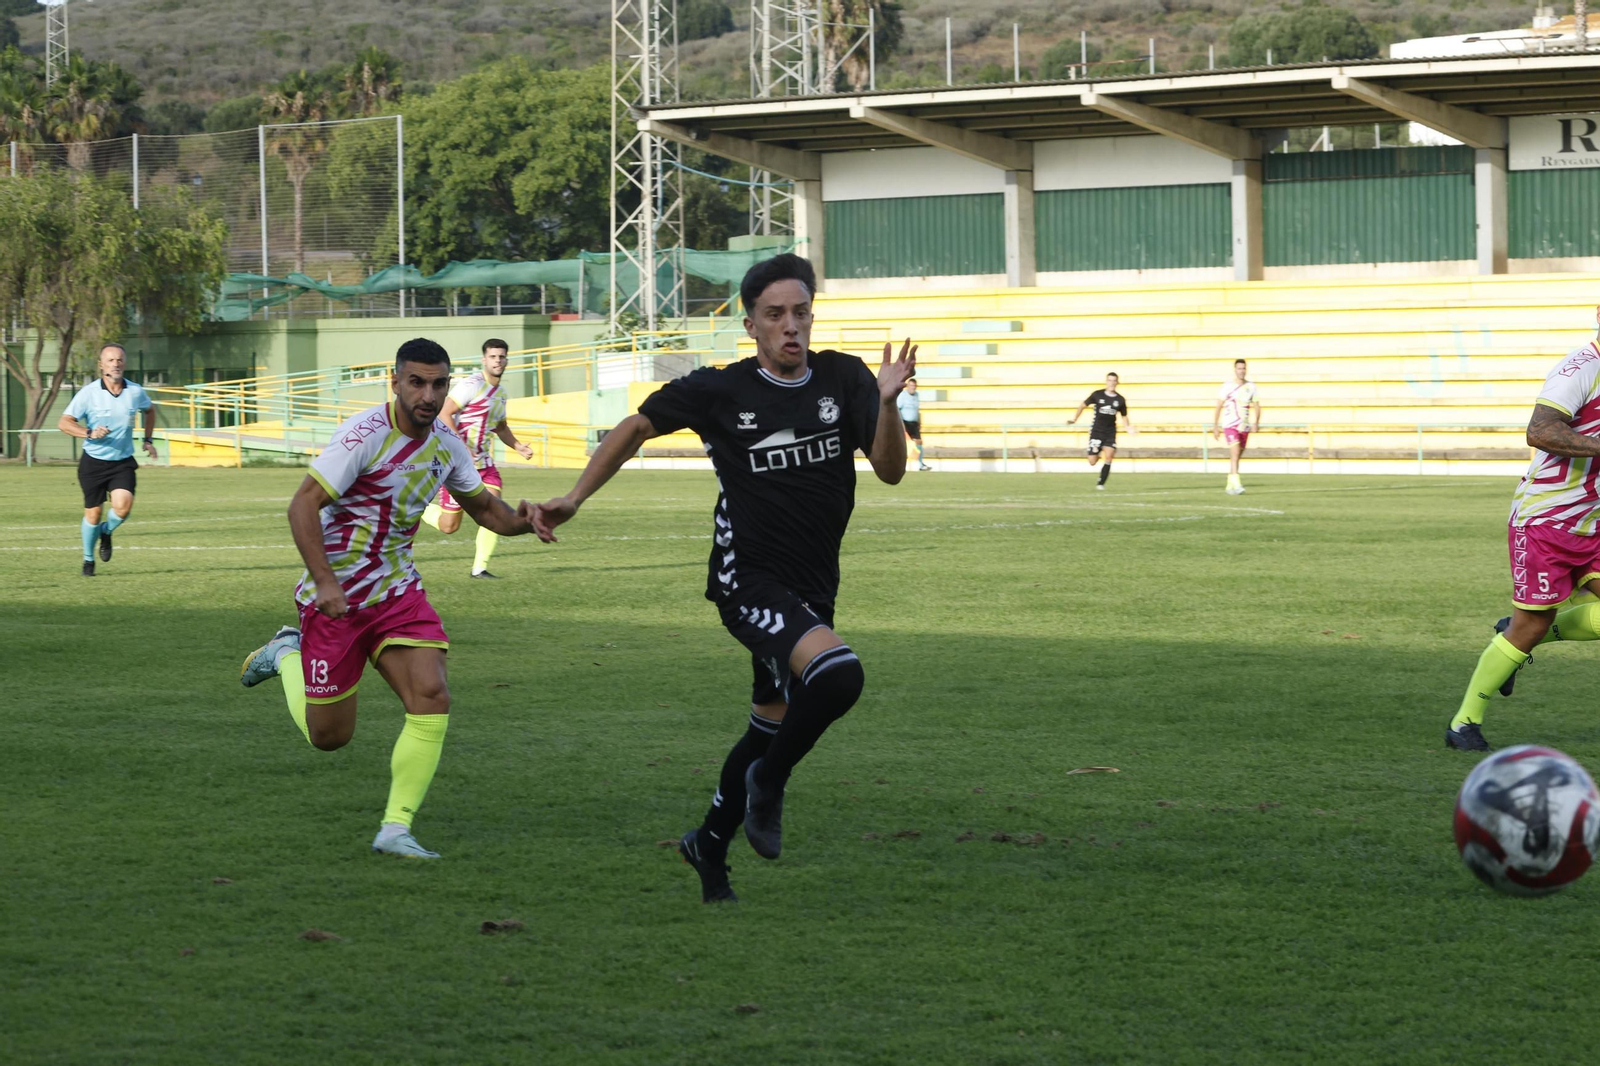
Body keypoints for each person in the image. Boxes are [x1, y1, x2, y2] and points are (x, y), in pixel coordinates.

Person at [531, 253, 915, 903]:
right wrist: (574, 497)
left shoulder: (846, 379)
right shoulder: (721, 390)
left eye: (800, 313)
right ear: (751, 326)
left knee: (770, 718)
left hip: (812, 586)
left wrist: (884, 404)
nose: (790, 326)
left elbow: (889, 469)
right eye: (775, 316)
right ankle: (770, 781)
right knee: (838, 675)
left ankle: (708, 843)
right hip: (748, 582)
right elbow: (635, 427)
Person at [238, 338, 539, 859]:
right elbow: (302, 507)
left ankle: (395, 830)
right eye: (416, 382)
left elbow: (486, 511)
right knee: (329, 738)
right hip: (335, 598)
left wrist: (528, 521)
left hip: (397, 590)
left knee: (431, 695)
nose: (427, 394)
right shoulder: (362, 436)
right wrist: (326, 581)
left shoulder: (447, 442)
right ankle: (286, 653)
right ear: (395, 381)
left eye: (438, 384)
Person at [1447, 321, 1600, 751]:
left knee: (1532, 627)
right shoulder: (1581, 368)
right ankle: (1464, 723)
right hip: (1547, 519)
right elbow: (1540, 431)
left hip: (1593, 519)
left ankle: (1510, 634)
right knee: (1534, 622)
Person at [420, 337, 535, 579]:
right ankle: (419, 505)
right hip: (456, 465)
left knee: (494, 510)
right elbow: (444, 413)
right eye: (493, 356)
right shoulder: (471, 385)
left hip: (484, 463)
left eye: (501, 356)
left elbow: (501, 427)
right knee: (448, 526)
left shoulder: (500, 393)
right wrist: (461, 447)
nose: (498, 361)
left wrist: (518, 447)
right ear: (484, 360)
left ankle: (479, 568)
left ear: (506, 360)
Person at [57, 343, 157, 577]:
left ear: (125, 363)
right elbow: (64, 423)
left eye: (120, 359)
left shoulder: (135, 391)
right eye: (111, 360)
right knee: (93, 514)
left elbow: (150, 410)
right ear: (101, 365)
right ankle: (88, 559)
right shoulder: (89, 393)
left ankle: (107, 532)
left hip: (122, 461)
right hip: (93, 462)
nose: (116, 364)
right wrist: (89, 433)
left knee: (123, 508)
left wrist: (148, 439)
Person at [1069, 372, 1133, 490]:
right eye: (1110, 380)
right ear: (1106, 381)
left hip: (1110, 432)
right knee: (1092, 461)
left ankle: (1101, 483)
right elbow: (1083, 405)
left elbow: (1124, 415)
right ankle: (1096, 452)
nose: (1112, 383)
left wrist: (1127, 427)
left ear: (1117, 382)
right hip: (1097, 431)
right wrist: (1074, 419)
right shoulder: (1097, 395)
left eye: (1114, 380)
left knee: (1109, 457)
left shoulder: (1120, 400)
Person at [1212, 359, 1260, 495]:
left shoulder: (1251, 387)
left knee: (1238, 454)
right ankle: (1237, 483)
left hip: (1244, 426)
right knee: (1234, 453)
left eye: (1243, 368)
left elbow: (1256, 405)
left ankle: (1230, 483)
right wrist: (1215, 425)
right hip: (1230, 424)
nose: (1241, 371)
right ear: (1235, 370)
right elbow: (1219, 406)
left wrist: (1256, 422)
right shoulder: (1227, 386)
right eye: (1239, 368)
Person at [897, 378, 932, 471]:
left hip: (914, 423)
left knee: (919, 442)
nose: (913, 388)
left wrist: (919, 421)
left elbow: (916, 409)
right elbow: (897, 409)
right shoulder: (902, 395)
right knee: (903, 444)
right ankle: (900, 465)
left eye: (914, 386)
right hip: (905, 422)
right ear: (907, 386)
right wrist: (900, 424)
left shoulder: (916, 395)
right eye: (911, 386)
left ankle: (921, 464)